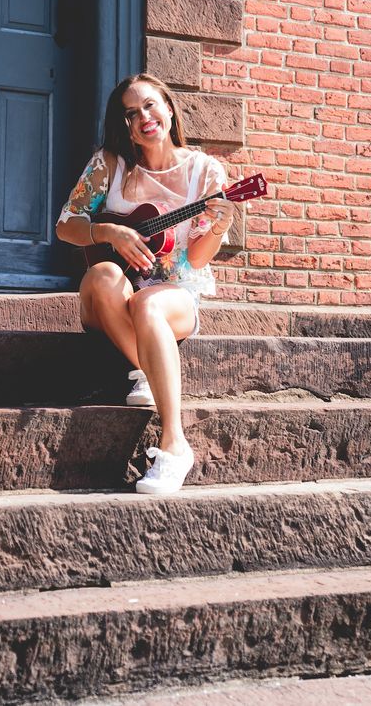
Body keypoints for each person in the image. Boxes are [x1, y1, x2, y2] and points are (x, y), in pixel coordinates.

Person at [56, 73, 233, 495]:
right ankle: (148, 366)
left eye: (150, 105)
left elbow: (196, 259)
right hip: (112, 301)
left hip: (174, 296)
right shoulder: (109, 165)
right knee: (102, 273)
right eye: (131, 113)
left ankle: (174, 445)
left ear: (168, 107)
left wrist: (217, 225)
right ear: (125, 125)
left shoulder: (204, 171)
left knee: (148, 303)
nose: (144, 117)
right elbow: (66, 225)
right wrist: (108, 232)